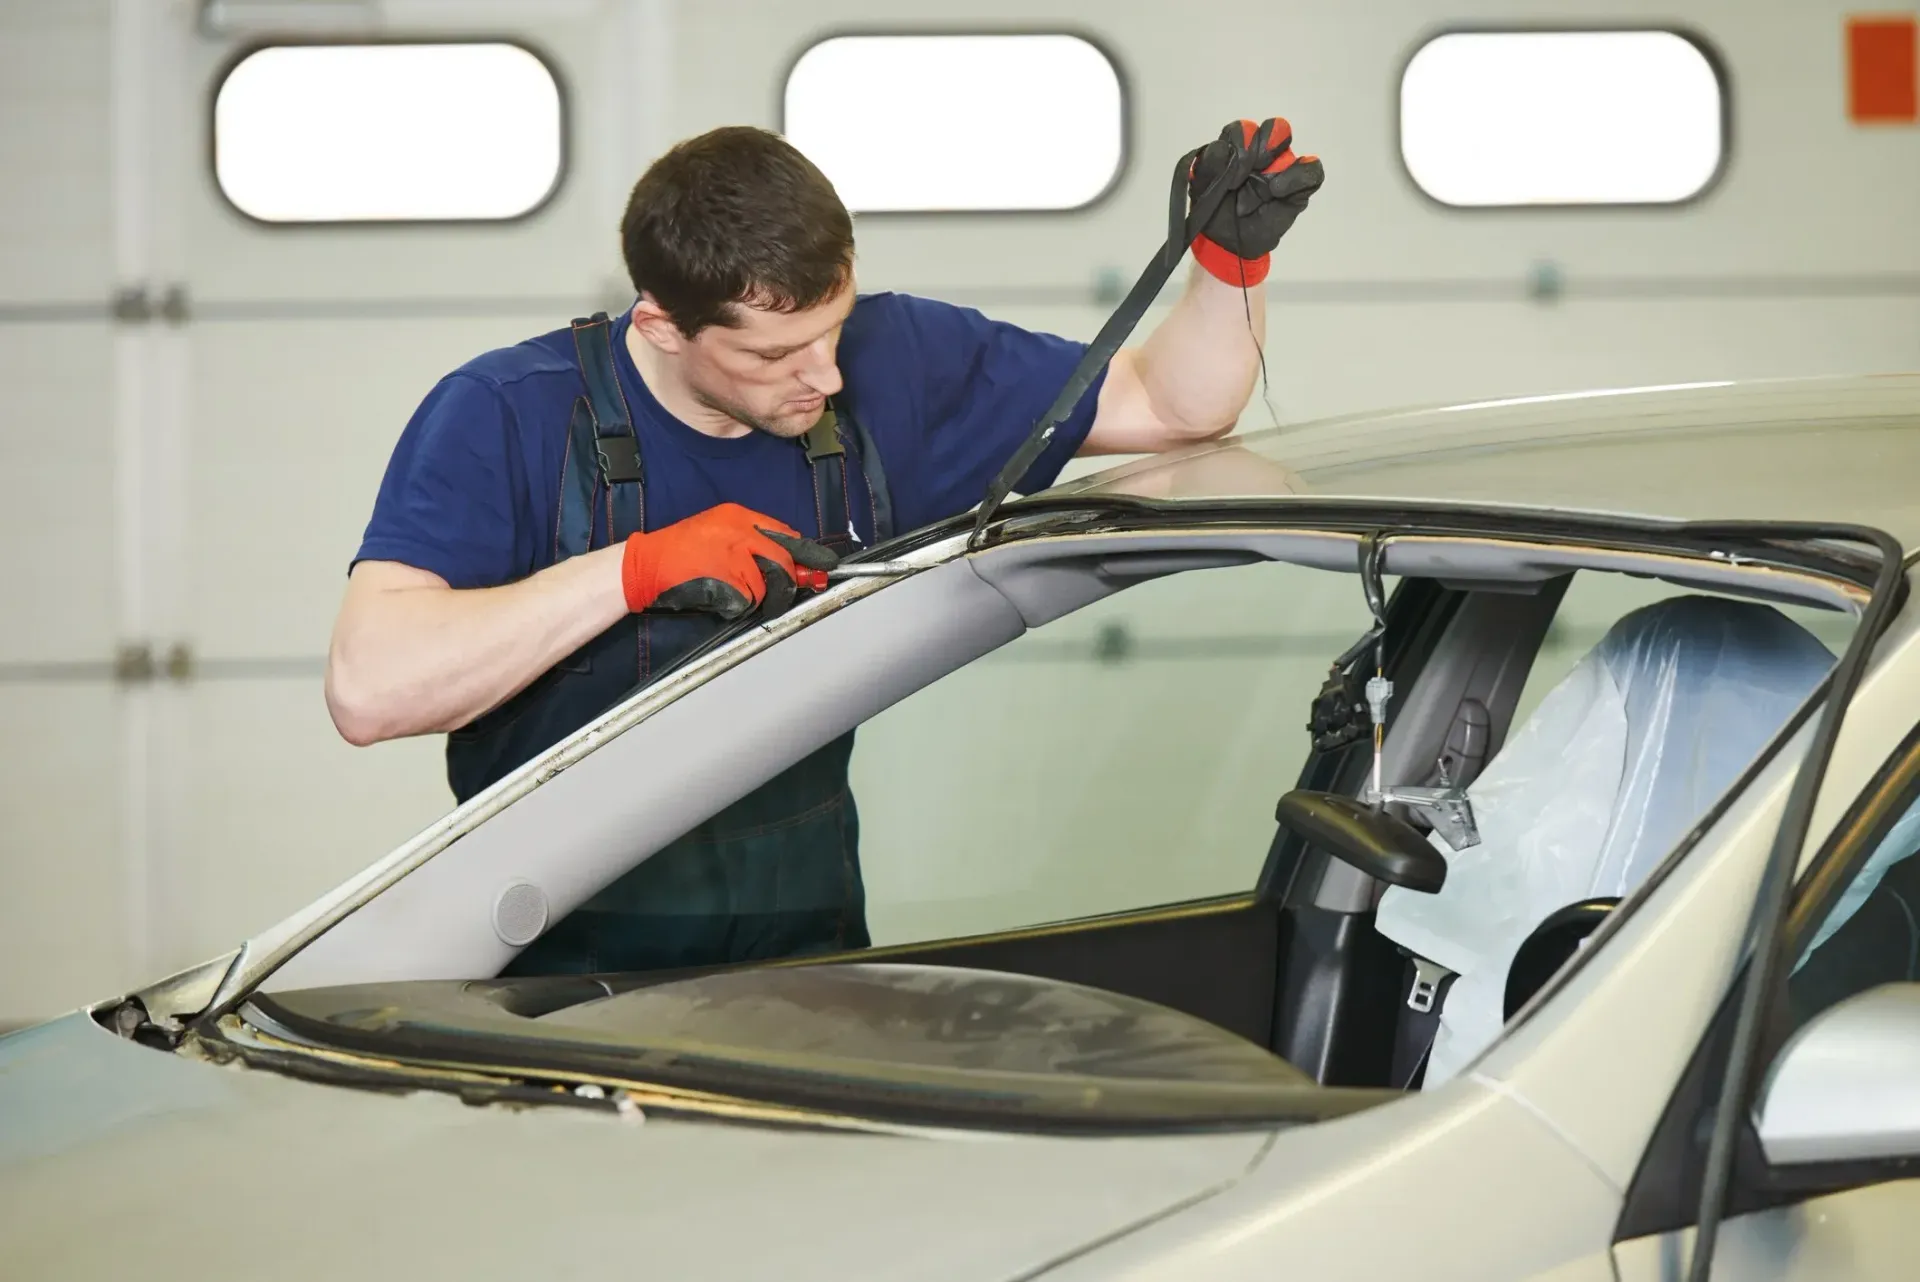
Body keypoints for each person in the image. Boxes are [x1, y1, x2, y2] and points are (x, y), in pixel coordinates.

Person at [325, 118, 1324, 974]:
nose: (827, 377)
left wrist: (1226, 267)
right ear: (664, 325)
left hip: (809, 963)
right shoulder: (509, 416)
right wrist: (635, 570)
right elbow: (372, 689)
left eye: (832, 329)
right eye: (773, 354)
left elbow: (1168, 406)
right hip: (547, 983)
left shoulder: (901, 367)